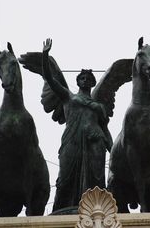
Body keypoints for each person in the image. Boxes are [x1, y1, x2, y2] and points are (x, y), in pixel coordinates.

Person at [42, 38, 111, 212]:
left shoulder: (99, 107)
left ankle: (97, 211)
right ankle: (60, 211)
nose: (85, 79)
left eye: (89, 78)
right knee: (65, 179)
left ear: (93, 83)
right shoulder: (68, 97)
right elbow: (50, 78)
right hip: (71, 141)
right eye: (82, 77)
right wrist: (45, 55)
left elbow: (105, 129)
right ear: (78, 81)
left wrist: (113, 149)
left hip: (95, 141)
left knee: (96, 181)